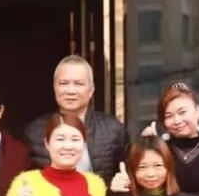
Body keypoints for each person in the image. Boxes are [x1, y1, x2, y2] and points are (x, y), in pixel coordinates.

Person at [24, 55, 128, 184]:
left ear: (91, 90)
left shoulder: (113, 130)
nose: (71, 91)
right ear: (54, 87)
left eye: (79, 84)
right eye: (63, 83)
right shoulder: (35, 132)